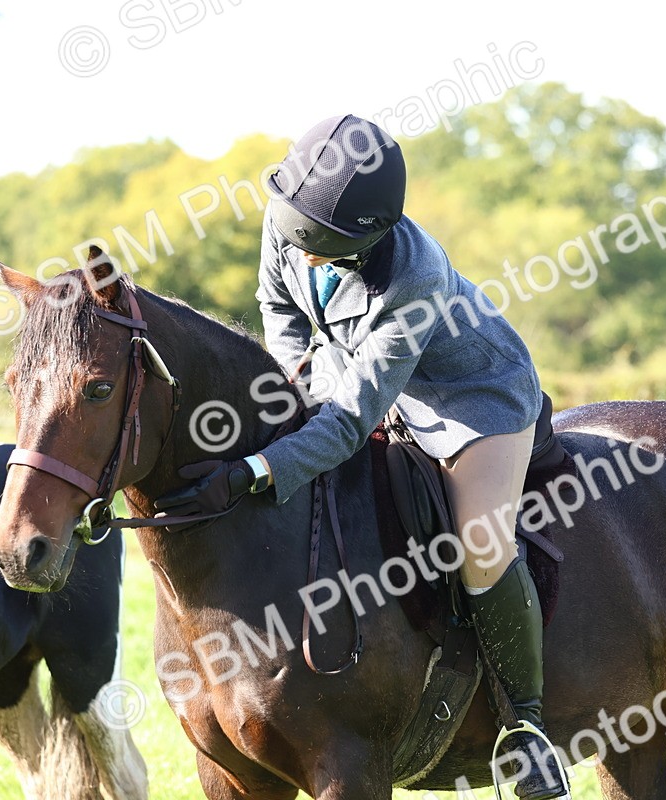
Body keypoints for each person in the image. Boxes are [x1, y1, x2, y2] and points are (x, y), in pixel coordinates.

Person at [165, 115, 571, 800]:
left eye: (327, 251)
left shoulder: (414, 275)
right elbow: (279, 308)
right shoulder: (293, 210)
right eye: (306, 243)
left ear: (369, 234)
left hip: (472, 399)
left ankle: (524, 728)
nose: (312, 260)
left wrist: (258, 472)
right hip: (359, 374)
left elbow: (354, 418)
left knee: (481, 543)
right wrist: (294, 382)